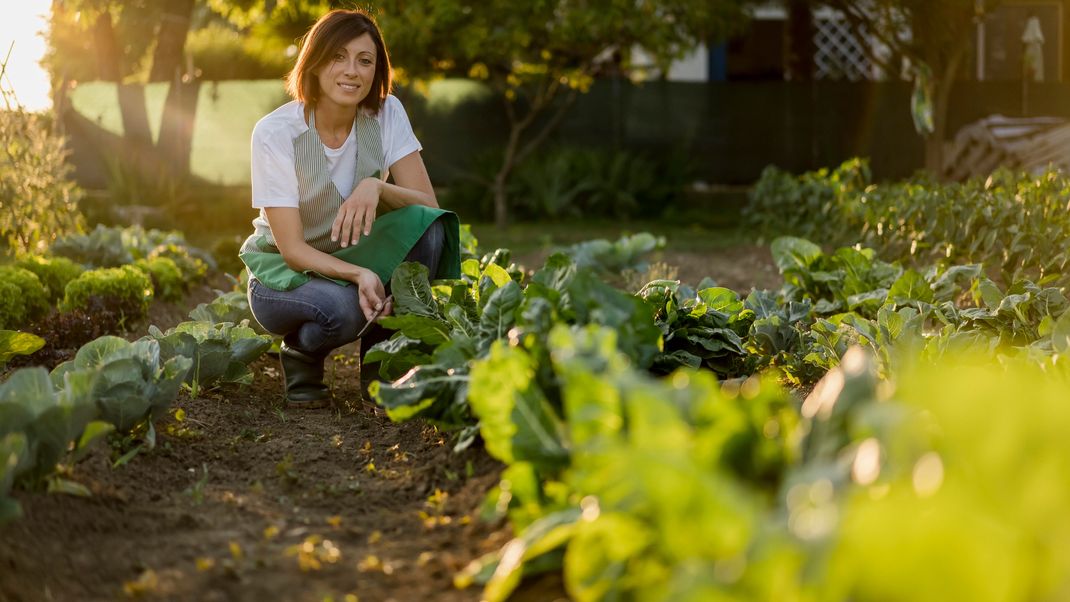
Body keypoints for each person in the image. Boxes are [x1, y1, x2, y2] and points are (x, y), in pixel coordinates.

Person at [239, 9, 460, 409]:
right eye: (338, 57)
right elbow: (291, 248)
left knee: (429, 228)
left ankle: (385, 370)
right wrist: (362, 274)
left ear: (377, 70)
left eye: (365, 60)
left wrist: (376, 186)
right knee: (343, 311)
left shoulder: (387, 112)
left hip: (354, 252)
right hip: (285, 275)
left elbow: (429, 207)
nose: (351, 71)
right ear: (315, 62)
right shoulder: (275, 132)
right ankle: (302, 355)